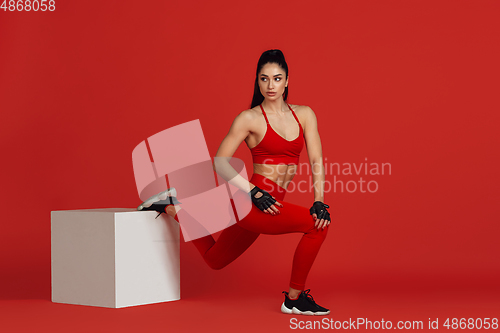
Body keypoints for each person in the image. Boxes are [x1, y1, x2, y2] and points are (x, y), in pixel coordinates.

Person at [138, 49, 332, 316]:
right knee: (317, 228)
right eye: (264, 79)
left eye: (277, 78)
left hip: (273, 203)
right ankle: (294, 299)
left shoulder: (305, 114)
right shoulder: (249, 118)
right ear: (258, 81)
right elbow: (220, 161)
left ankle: (172, 207)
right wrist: (254, 192)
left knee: (215, 260)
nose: (271, 85)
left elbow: (317, 160)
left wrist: (318, 200)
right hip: (252, 201)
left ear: (287, 81)